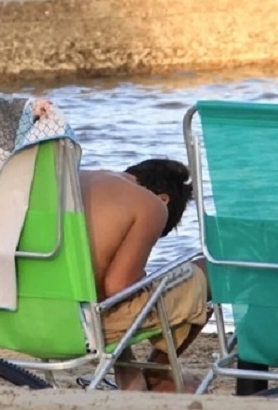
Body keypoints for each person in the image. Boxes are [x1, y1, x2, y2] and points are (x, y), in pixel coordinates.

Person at [79, 158, 211, 392]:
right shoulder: (150, 204)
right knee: (210, 270)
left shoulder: (78, 180)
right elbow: (118, 288)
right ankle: (158, 374)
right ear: (163, 200)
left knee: (100, 286)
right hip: (83, 327)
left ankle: (128, 371)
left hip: (30, 318)